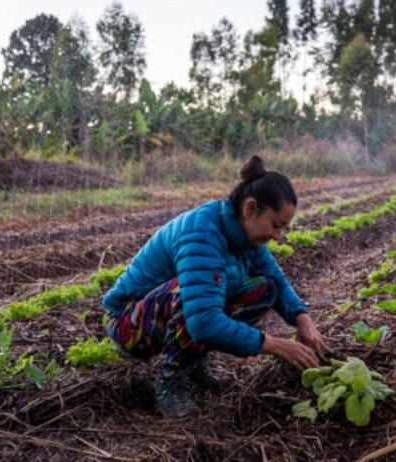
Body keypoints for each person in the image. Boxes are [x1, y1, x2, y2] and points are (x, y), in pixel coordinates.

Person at [102, 155, 331, 419]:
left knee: (264, 288)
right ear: (250, 208)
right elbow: (203, 322)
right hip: (129, 324)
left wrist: (301, 318)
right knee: (190, 296)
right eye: (276, 225)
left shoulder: (246, 236)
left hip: (165, 314)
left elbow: (275, 280)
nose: (278, 235)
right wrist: (272, 344)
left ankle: (193, 359)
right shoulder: (201, 233)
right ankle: (171, 380)